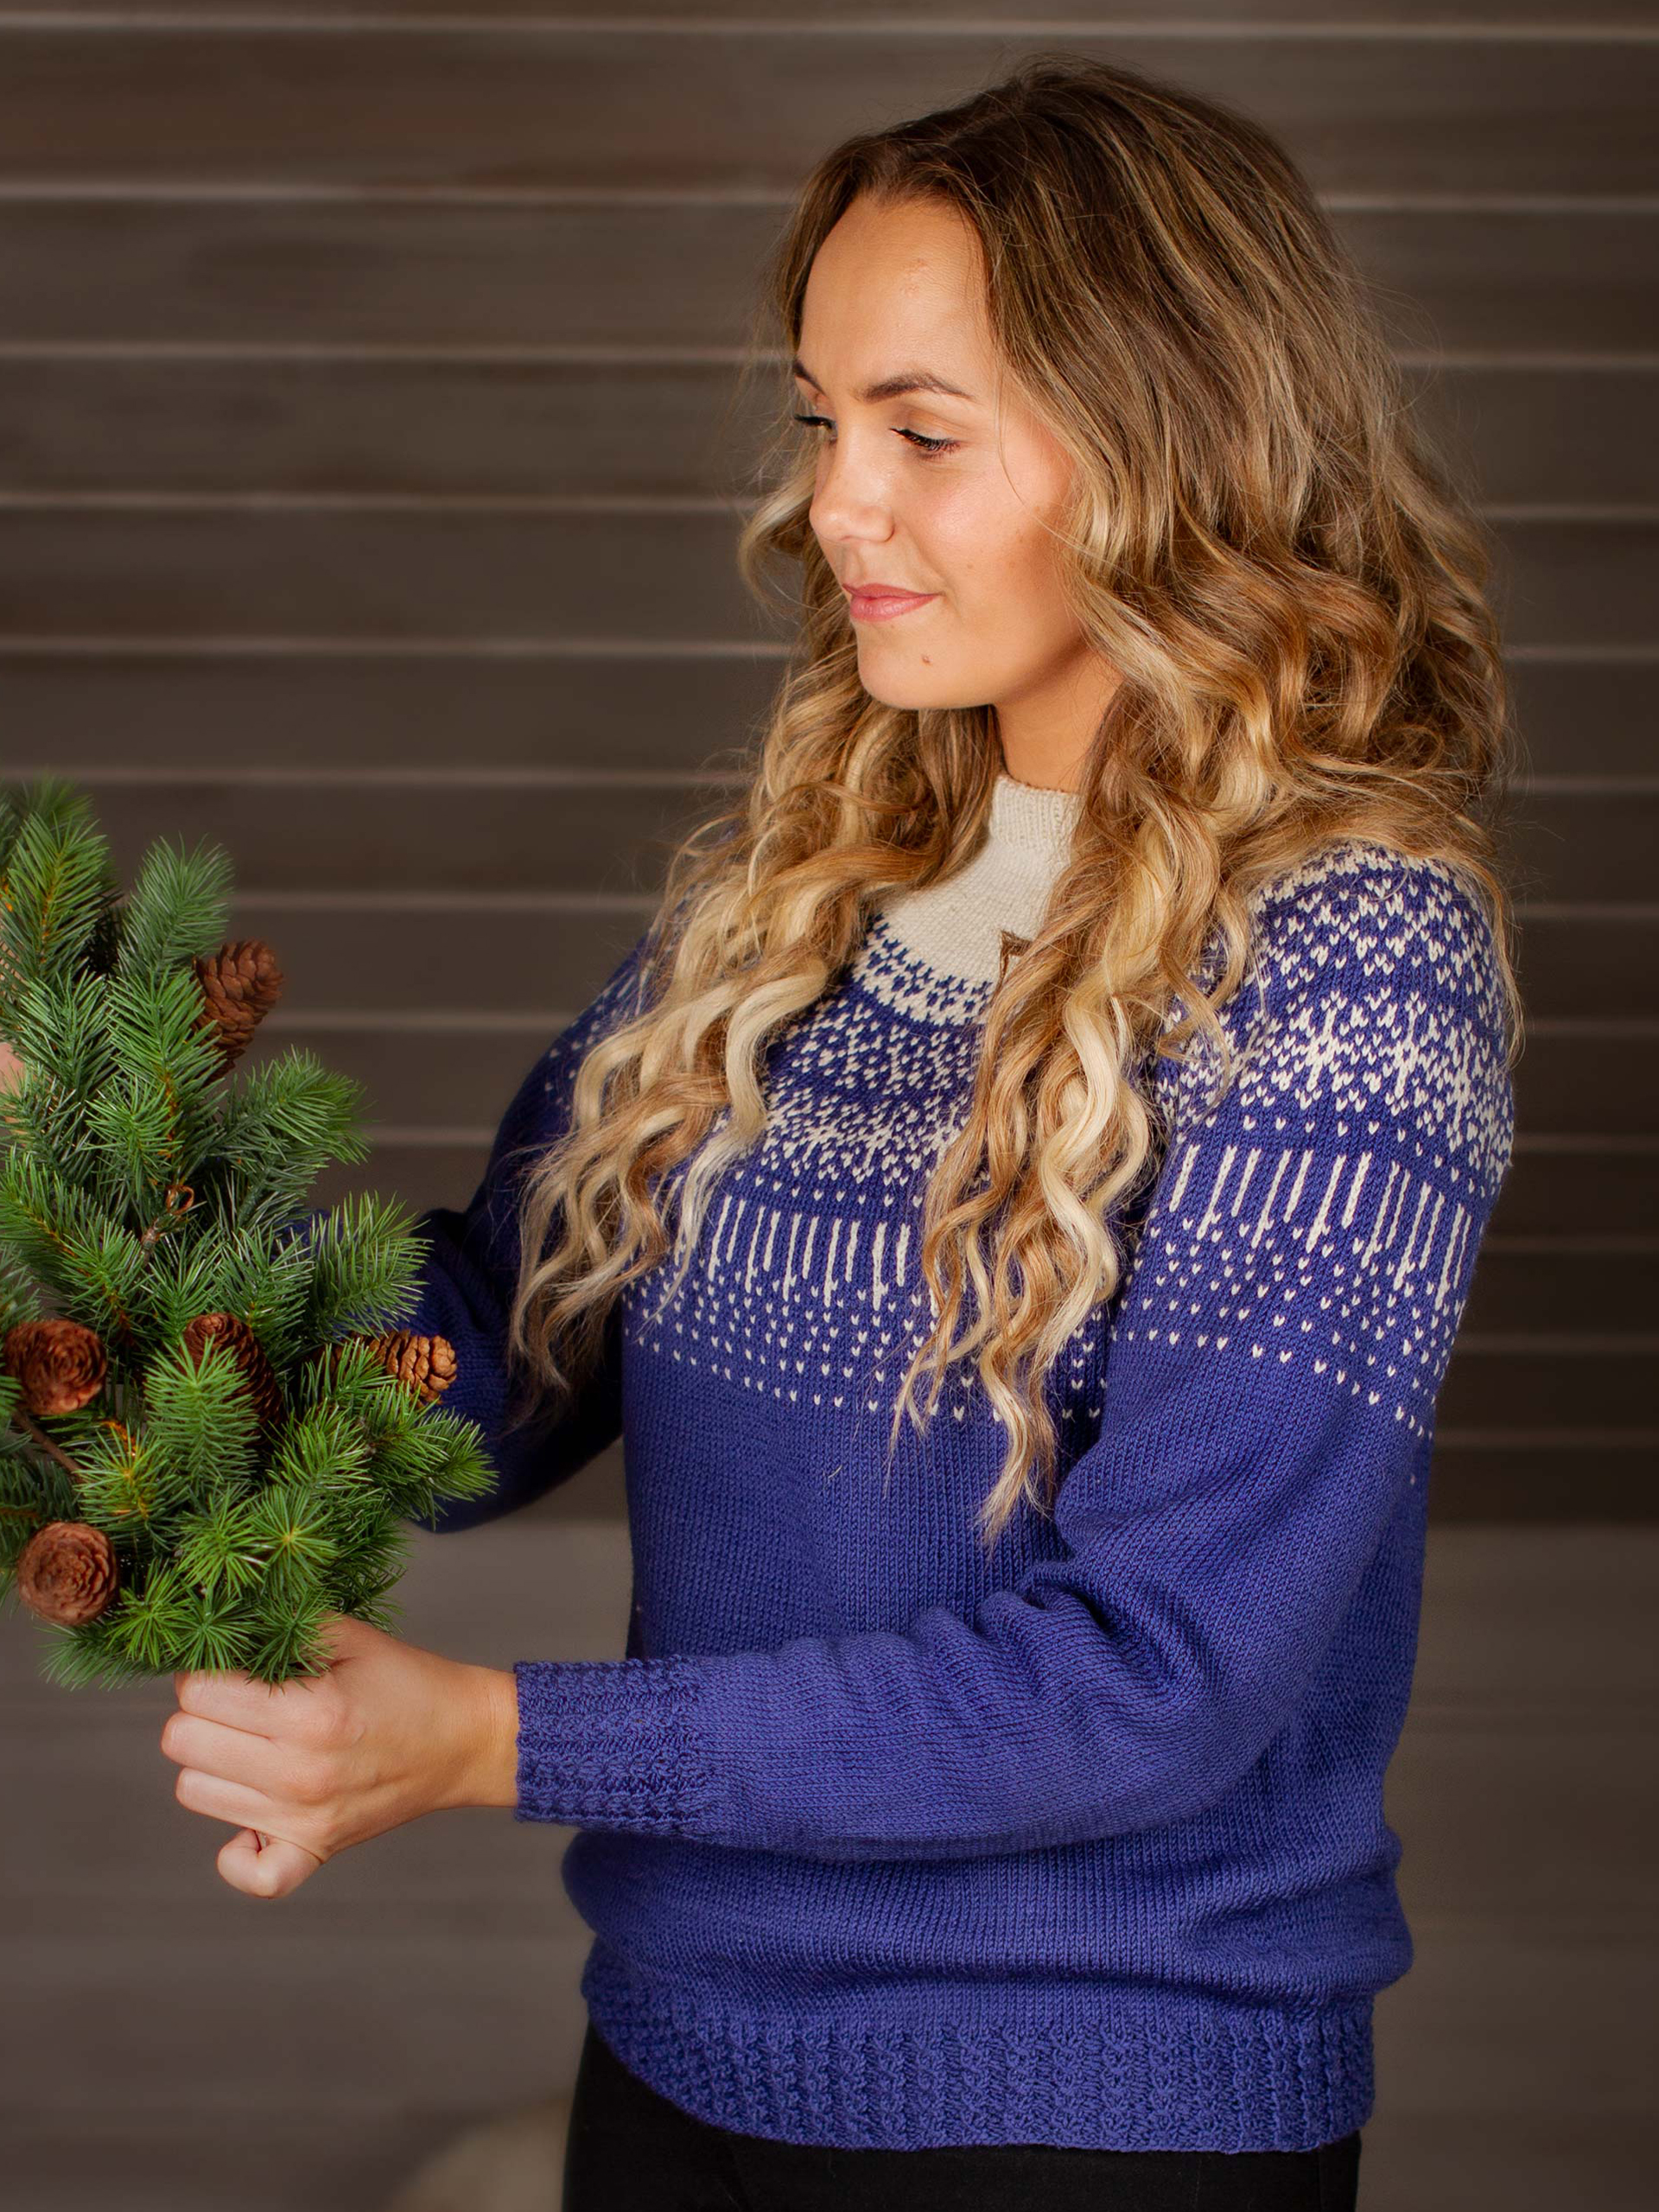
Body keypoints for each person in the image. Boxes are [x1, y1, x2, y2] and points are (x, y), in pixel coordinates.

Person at [156, 52, 1522, 2209]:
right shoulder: (800, 901)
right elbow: (483, 1358)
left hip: (1100, 2131)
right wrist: (121, 1254)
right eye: (820, 420)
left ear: (1170, 445)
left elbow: (1152, 1679)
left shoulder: (1351, 970)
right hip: (680, 2073)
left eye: (921, 431)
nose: (830, 503)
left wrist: (494, 1737)